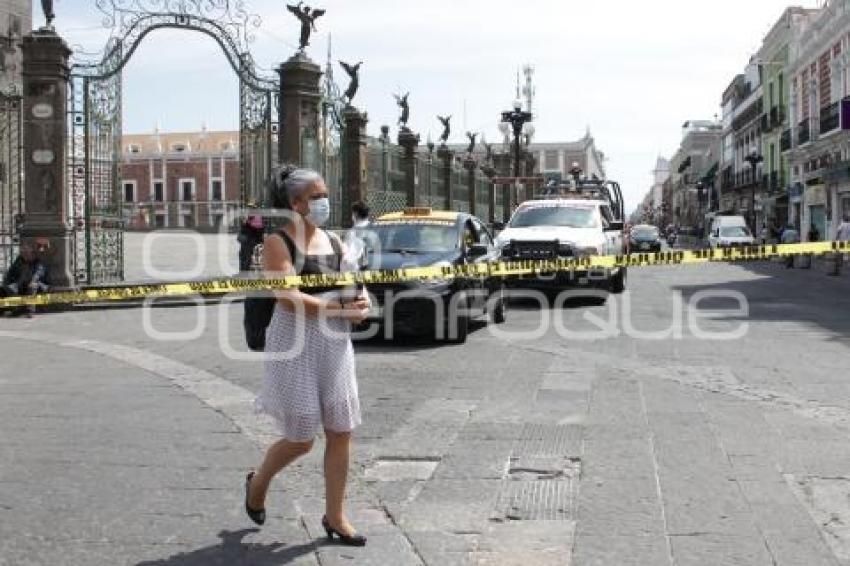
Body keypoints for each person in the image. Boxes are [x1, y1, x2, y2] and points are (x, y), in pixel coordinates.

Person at [245, 167, 369, 547]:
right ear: (295, 203)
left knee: (341, 429)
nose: (324, 202)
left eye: (325, 194)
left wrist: (361, 302)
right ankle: (258, 483)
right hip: (294, 343)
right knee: (300, 439)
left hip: (333, 344)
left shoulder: (334, 241)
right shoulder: (277, 243)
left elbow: (354, 285)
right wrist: (339, 310)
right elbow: (288, 296)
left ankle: (335, 515)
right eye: (316, 196)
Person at [1, 241, 51, 317]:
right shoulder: (19, 260)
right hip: (21, 283)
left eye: (26, 253)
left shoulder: (38, 261)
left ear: (31, 253)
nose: (24, 255)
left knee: (32, 286)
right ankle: (16, 310)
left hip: (40, 284)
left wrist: (33, 281)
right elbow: (11, 272)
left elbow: (38, 273)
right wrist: (8, 283)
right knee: (9, 288)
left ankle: (30, 311)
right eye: (23, 253)